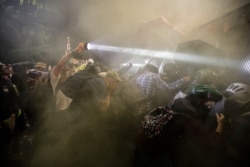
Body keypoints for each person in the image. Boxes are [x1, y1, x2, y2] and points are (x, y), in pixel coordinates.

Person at [133, 84, 224, 167]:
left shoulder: (172, 105)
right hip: (156, 155)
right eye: (208, 103)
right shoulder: (188, 120)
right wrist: (220, 124)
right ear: (199, 102)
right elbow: (212, 142)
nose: (209, 107)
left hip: (141, 150)